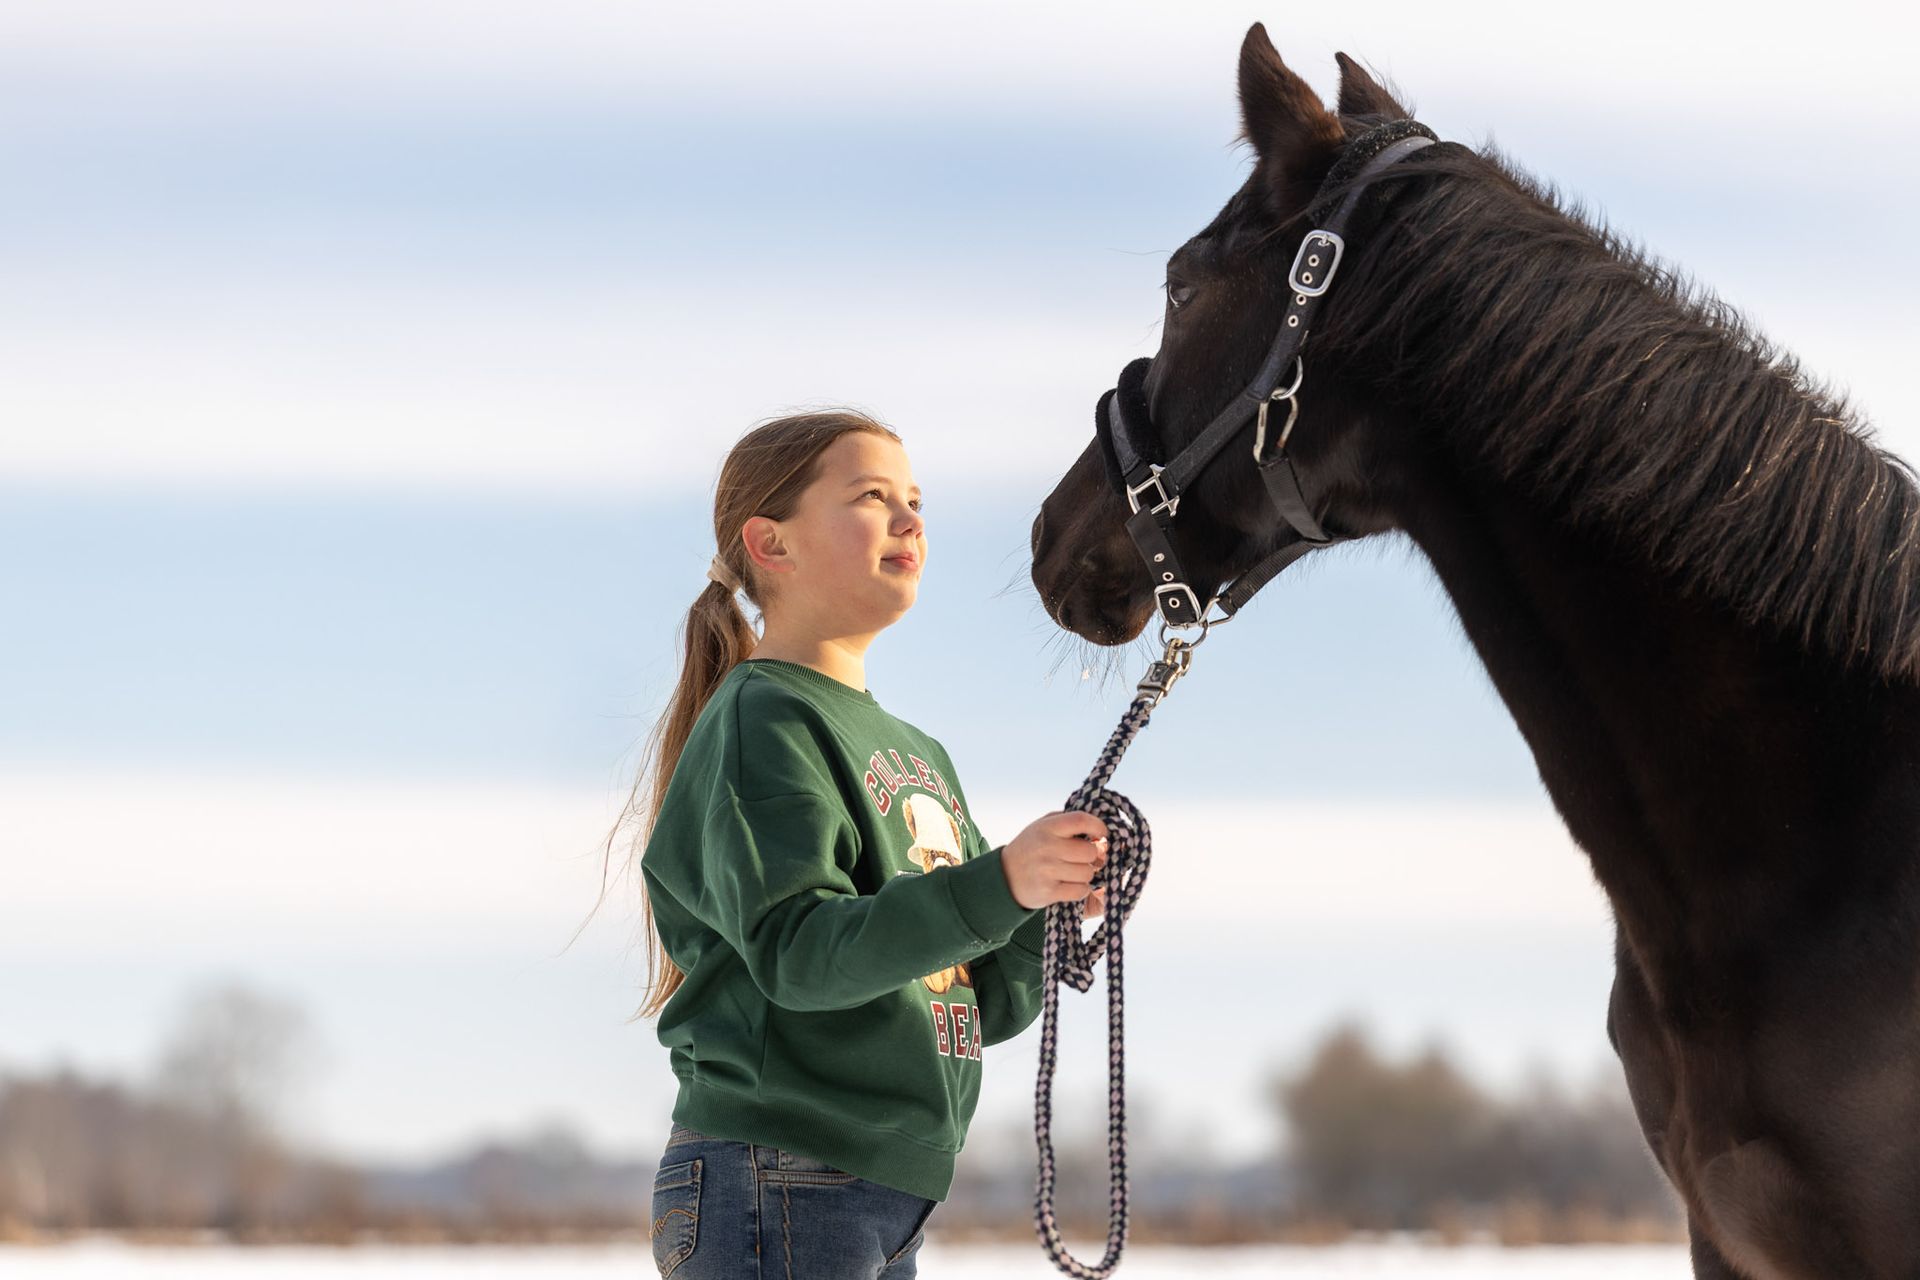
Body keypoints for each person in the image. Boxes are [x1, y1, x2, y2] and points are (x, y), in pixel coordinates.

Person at [610, 410, 1109, 1279]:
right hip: (780, 1173)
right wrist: (1000, 884)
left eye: (915, 500)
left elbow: (967, 1002)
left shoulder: (920, 755)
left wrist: (1040, 909)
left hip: (878, 1190)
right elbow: (802, 954)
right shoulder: (764, 720)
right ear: (771, 543)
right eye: (873, 497)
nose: (911, 520)